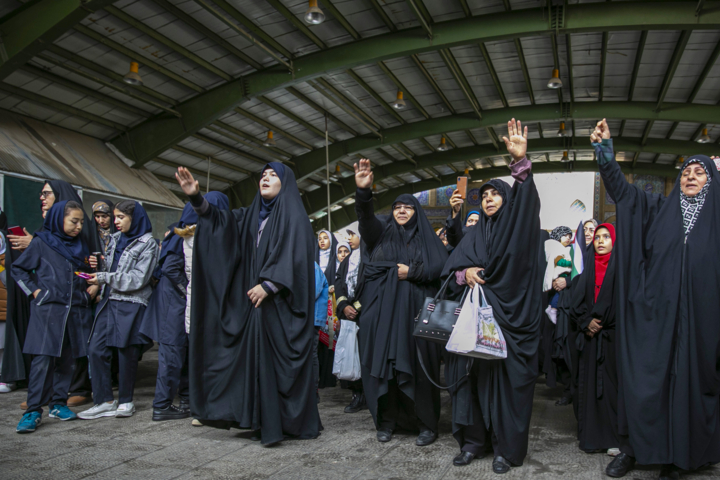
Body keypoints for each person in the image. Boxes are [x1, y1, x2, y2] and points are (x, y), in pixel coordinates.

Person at [592, 119, 720, 480]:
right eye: (686, 172)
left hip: (702, 323)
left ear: (712, 181)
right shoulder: (659, 209)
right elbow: (623, 193)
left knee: (693, 386)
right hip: (655, 319)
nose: (691, 177)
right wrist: (605, 153)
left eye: (700, 172)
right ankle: (635, 449)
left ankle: (684, 455)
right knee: (646, 385)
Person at [175, 163, 320, 446]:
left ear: (286, 182)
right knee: (253, 363)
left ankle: (288, 422)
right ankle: (258, 419)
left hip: (281, 307)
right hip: (254, 307)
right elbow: (220, 224)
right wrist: (196, 198)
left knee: (279, 368)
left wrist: (270, 284)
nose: (265, 178)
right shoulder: (250, 216)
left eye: (273, 175)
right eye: (262, 175)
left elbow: (299, 259)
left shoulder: (295, 218)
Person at [442, 119, 541, 473]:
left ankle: (504, 449)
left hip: (508, 323)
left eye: (495, 193)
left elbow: (527, 209)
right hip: (472, 324)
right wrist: (463, 273)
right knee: (468, 384)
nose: (488, 199)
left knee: (504, 388)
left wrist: (520, 165)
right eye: (484, 195)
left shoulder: (520, 229)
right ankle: (473, 442)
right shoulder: (474, 234)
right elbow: (450, 271)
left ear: (509, 197)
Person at [353, 158, 449, 446]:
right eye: (397, 207)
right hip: (385, 316)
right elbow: (366, 220)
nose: (402, 211)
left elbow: (440, 268)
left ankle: (425, 425)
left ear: (416, 211)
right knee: (387, 369)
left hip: (417, 315)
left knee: (419, 370)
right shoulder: (380, 235)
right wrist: (364, 193)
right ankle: (387, 422)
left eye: (407, 207)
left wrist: (412, 272)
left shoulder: (428, 240)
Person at [7, 180, 100, 408]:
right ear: (60, 219)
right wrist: (36, 292)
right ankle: (34, 407)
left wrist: (91, 286)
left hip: (74, 310)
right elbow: (19, 269)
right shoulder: (42, 242)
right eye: (74, 221)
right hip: (48, 309)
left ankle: (58, 404)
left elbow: (81, 273)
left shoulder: (80, 245)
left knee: (67, 360)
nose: (79, 226)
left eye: (80, 222)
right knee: (43, 359)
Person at [78, 200, 158, 420]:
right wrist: (98, 266)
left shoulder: (148, 243)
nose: (115, 222)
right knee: (95, 348)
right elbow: (112, 269)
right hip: (109, 299)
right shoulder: (113, 239)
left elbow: (138, 279)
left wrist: (104, 277)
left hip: (131, 303)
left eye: (120, 217)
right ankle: (103, 400)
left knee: (126, 353)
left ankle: (126, 401)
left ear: (135, 218)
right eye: (115, 217)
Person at [569, 224, 621, 455]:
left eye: (606, 237)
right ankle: (592, 436)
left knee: (612, 388)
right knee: (589, 386)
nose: (600, 241)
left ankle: (614, 437)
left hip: (613, 339)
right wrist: (586, 321)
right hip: (589, 338)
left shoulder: (622, 270)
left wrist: (600, 321)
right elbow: (575, 302)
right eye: (597, 237)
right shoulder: (586, 271)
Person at [335, 228, 367, 413]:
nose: (349, 238)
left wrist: (356, 307)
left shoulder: (371, 256)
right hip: (347, 315)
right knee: (349, 355)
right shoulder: (348, 259)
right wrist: (344, 306)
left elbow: (373, 284)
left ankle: (367, 394)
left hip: (365, 315)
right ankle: (356, 395)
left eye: (353, 234)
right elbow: (339, 281)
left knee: (364, 356)